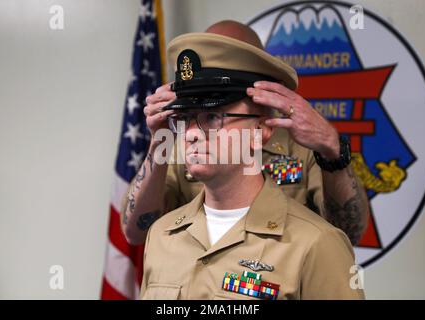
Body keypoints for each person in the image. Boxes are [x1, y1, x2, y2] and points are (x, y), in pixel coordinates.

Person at [138, 27, 365, 299]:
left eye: (212, 117)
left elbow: (349, 227)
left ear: (259, 131)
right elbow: (133, 227)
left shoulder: (315, 244)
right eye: (185, 117)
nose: (192, 132)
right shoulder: (162, 235)